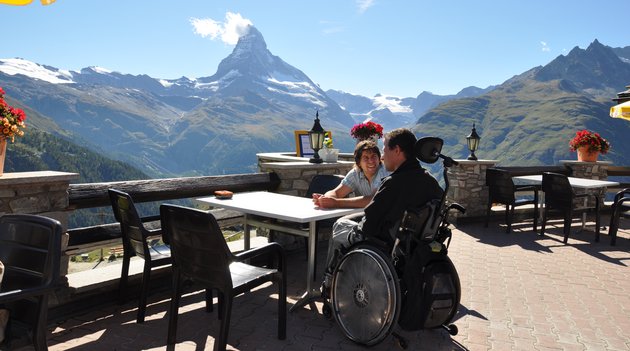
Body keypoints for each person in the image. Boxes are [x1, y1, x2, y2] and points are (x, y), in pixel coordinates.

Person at [321, 128, 444, 295]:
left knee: (340, 227)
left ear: (397, 150)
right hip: (414, 240)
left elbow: (369, 224)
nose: (383, 155)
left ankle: (330, 282)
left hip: (385, 242)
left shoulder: (394, 182)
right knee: (348, 220)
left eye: (385, 148)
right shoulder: (429, 180)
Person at [312, 140, 389, 209]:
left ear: (379, 159)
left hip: (385, 218)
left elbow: (372, 199)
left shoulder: (384, 172)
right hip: (366, 216)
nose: (371, 161)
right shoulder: (356, 173)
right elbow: (336, 192)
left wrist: (336, 202)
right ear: (359, 163)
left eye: (374, 156)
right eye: (366, 158)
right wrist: (325, 199)